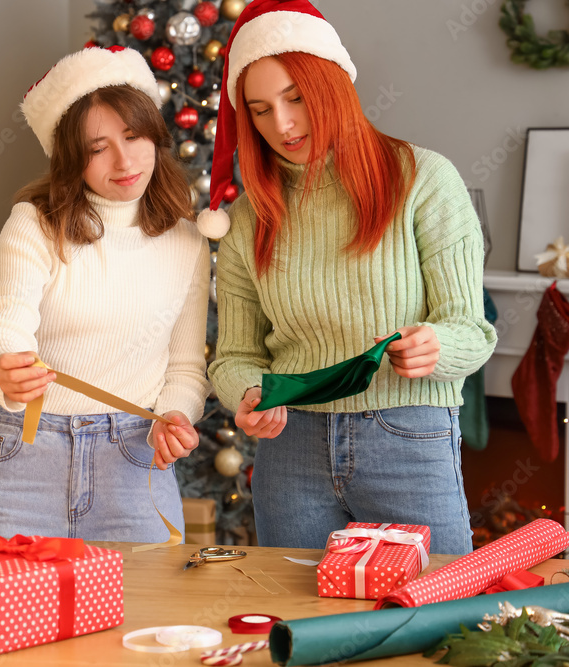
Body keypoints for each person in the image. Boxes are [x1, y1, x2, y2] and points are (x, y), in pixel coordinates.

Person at [200, 0, 497, 556]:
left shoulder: (425, 180)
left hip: (408, 432)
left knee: (433, 613)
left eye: (296, 99)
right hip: (290, 450)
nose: (281, 125)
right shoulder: (247, 220)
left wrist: (437, 346)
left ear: (332, 86)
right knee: (299, 618)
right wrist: (248, 392)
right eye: (260, 110)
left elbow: (471, 330)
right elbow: (234, 355)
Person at [0, 46, 212, 542]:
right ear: (71, 158)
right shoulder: (35, 224)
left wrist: (175, 414)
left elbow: (185, 367)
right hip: (28, 451)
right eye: (98, 148)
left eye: (134, 136)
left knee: (147, 617)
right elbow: (5, 322)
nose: (123, 161)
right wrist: (7, 364)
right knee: (1, 616)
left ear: (154, 135)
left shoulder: (188, 239)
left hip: (134, 457)